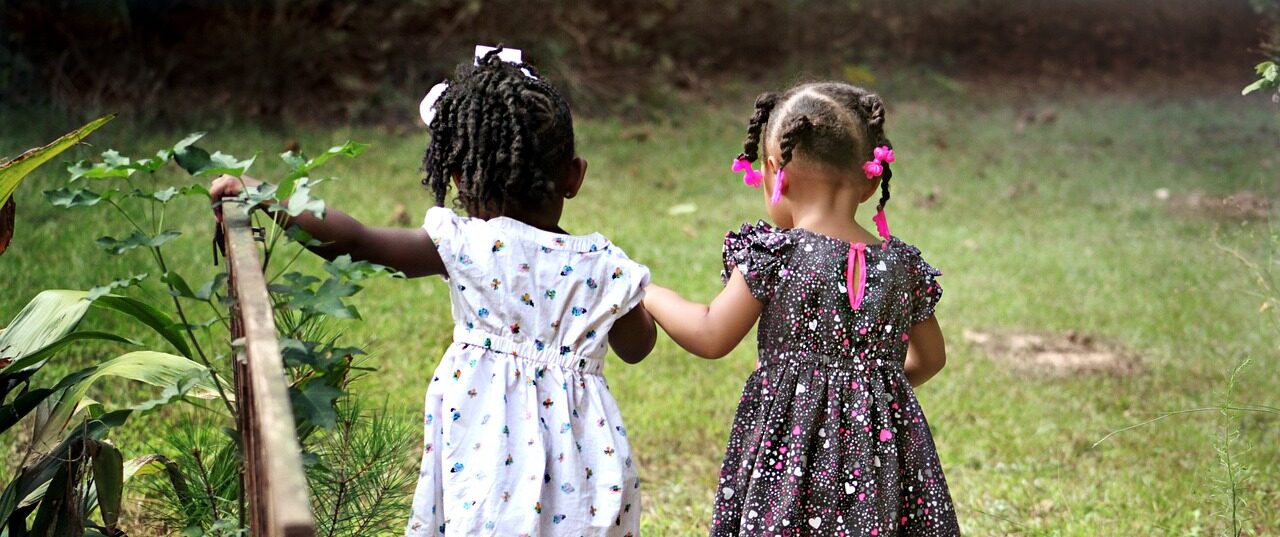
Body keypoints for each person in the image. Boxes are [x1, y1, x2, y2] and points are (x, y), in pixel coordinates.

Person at [210, 47, 655, 537]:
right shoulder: (603, 265)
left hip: (487, 449)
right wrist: (619, 300)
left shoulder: (467, 243)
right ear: (574, 177)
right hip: (585, 465)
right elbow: (638, 347)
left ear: (460, 178)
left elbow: (359, 242)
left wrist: (267, 197)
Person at [643, 82, 960, 536]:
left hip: (789, 461)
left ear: (775, 171)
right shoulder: (903, 267)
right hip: (881, 461)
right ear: (871, 179)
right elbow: (930, 359)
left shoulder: (778, 256)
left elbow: (711, 334)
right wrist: (867, 392)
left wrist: (648, 292)